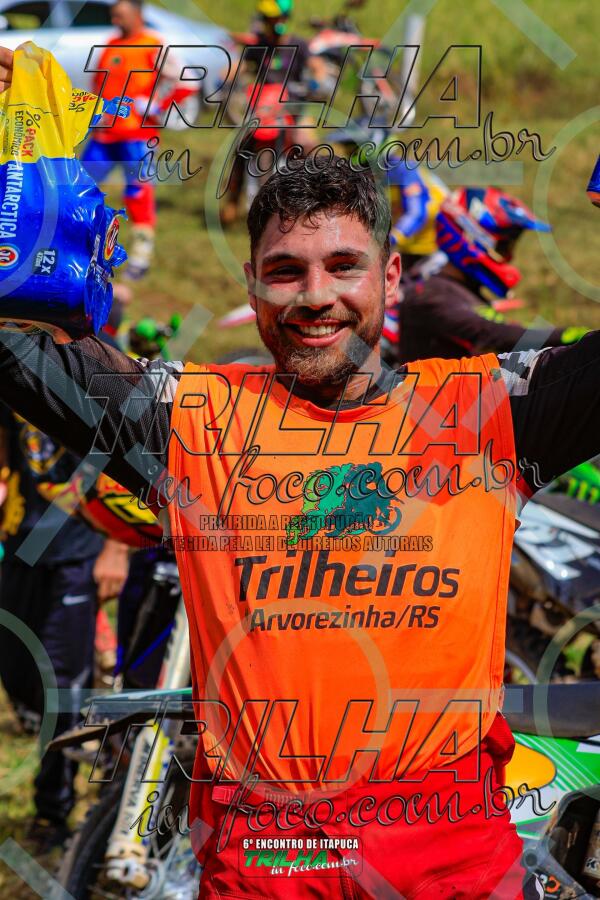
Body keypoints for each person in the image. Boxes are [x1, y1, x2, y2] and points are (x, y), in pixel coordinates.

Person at [2, 44, 600, 895]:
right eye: (286, 272)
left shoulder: (489, 411)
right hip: (272, 860)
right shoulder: (191, 418)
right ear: (252, 285)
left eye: (343, 267)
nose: (315, 296)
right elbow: (16, 340)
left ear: (390, 276)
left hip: (449, 856)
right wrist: (20, 182)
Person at [0, 410, 129, 850]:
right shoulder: (14, 376)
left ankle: (52, 811)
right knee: (17, 675)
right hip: (20, 542)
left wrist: (117, 547)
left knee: (60, 685)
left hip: (79, 548)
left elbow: (126, 456)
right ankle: (100, 740)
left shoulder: (90, 378)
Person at [396, 187, 587, 363]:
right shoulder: (429, 294)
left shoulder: (465, 293)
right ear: (472, 237)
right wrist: (571, 335)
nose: (509, 257)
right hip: (429, 389)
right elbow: (492, 334)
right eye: (503, 247)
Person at [81, 0, 172, 279]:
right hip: (105, 135)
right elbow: (98, 84)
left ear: (137, 14)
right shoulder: (110, 45)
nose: (115, 21)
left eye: (120, 15)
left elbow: (186, 81)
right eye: (113, 16)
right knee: (82, 186)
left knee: (138, 193)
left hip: (138, 136)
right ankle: (82, 246)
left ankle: (141, 257)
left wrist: (157, 104)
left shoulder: (154, 45)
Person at [387, 157, 449, 273]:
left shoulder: (403, 169)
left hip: (432, 247)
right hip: (409, 245)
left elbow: (416, 214)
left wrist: (391, 238)